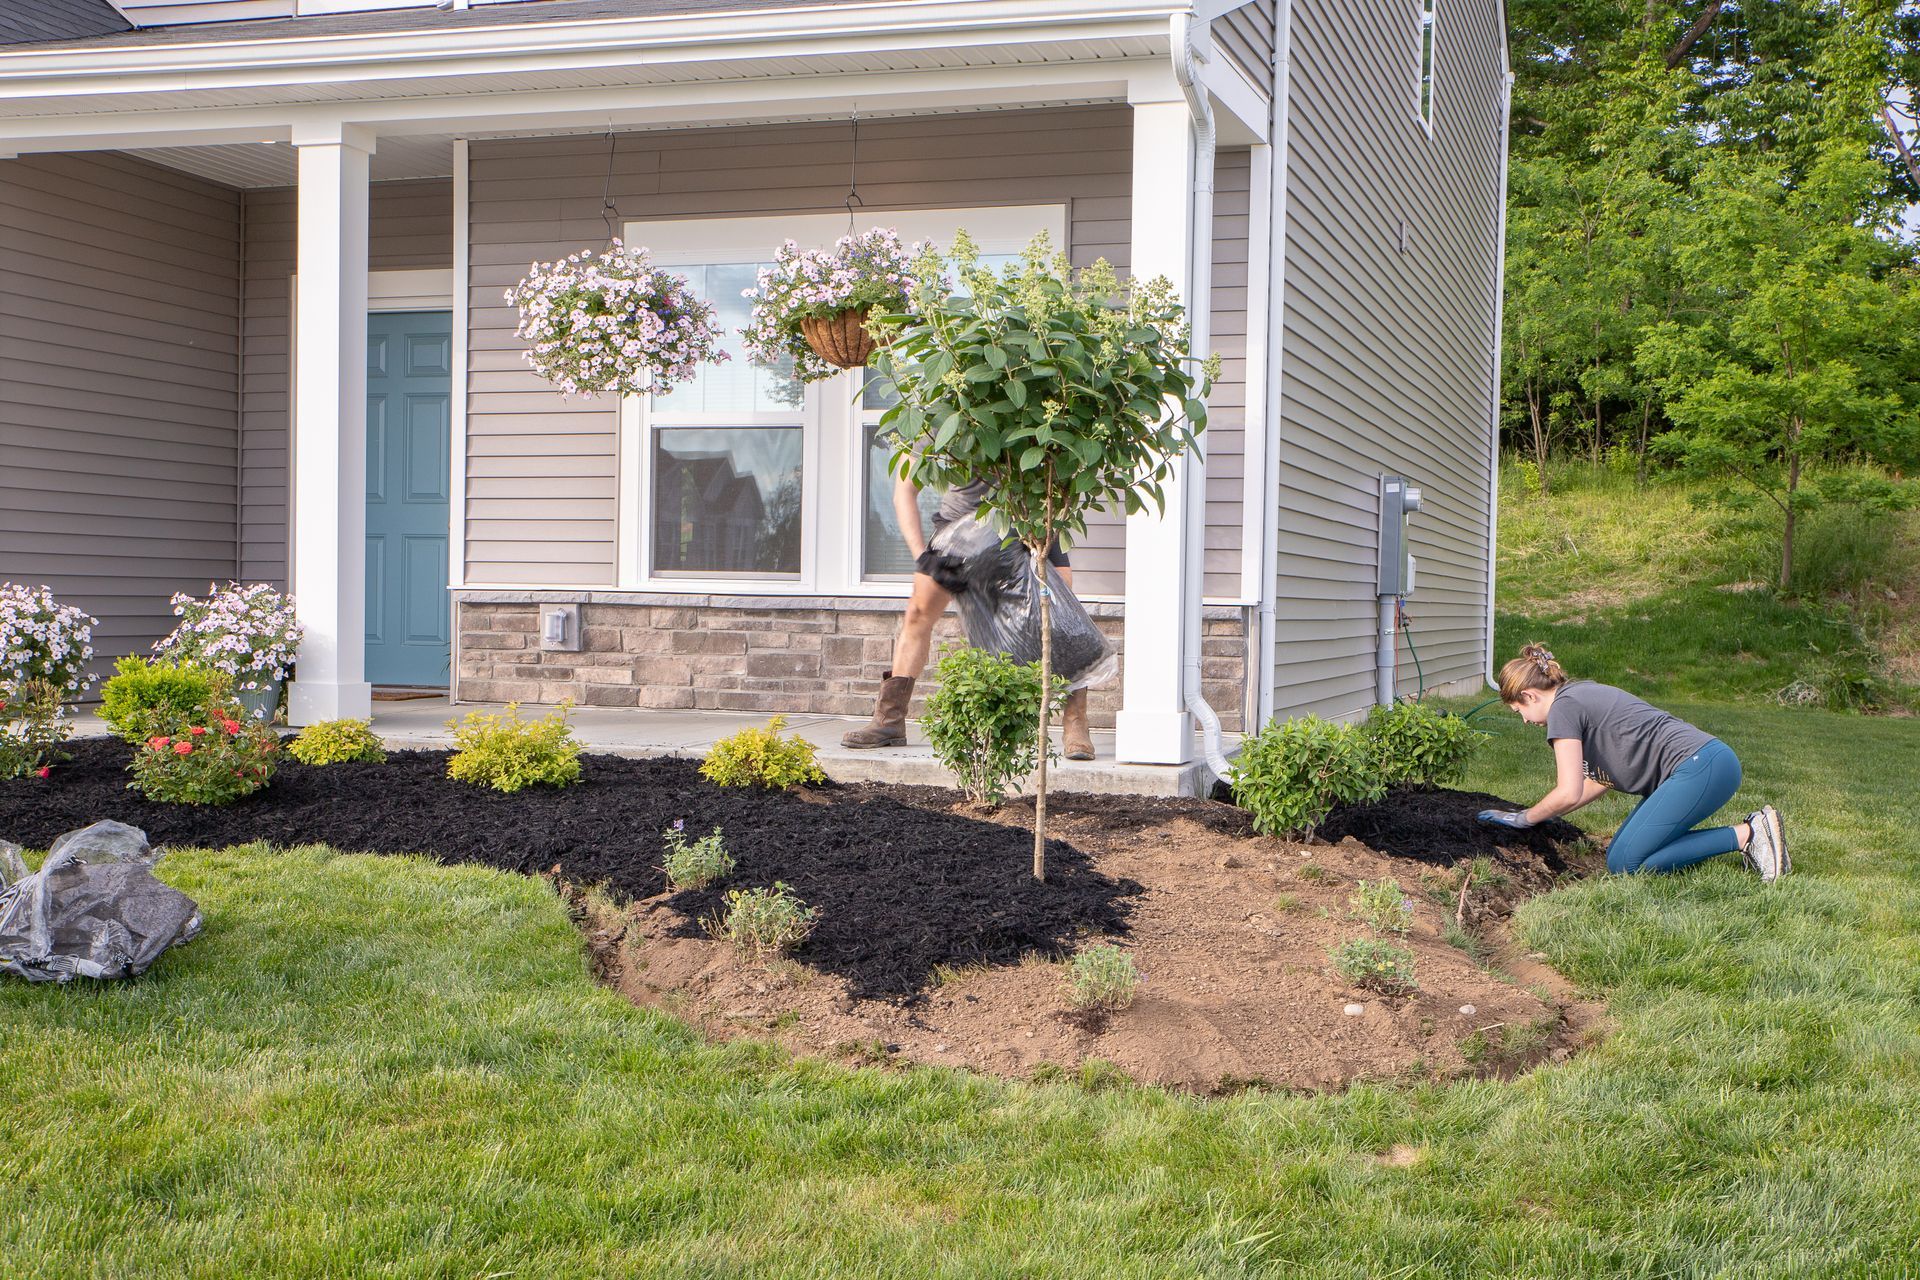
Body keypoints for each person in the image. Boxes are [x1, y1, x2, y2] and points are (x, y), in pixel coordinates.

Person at [1477, 644, 1789, 881]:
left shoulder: (1564, 709)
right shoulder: (1577, 695)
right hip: (1702, 765)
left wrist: (1525, 818)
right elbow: (1597, 781)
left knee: (1627, 864)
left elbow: (1568, 791)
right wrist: (1543, 815)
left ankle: (1748, 834)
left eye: (1518, 710)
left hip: (1701, 766)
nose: (1524, 720)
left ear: (1530, 695)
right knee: (1619, 856)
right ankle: (1748, 833)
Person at [842, 476, 1094, 759]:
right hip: (956, 533)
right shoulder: (931, 430)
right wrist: (921, 556)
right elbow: (904, 492)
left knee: (1063, 617)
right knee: (917, 613)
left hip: (1025, 525)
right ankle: (889, 721)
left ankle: (1076, 723)